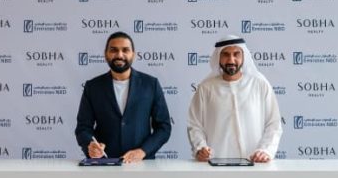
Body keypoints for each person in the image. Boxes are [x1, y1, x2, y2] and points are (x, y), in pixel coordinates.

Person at [75, 31, 171, 163]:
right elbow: (83, 128)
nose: (120, 55)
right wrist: (90, 145)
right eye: (113, 50)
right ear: (105, 54)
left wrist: (143, 151)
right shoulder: (92, 87)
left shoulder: (151, 84)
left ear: (133, 55)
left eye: (125, 50)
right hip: (104, 164)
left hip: (141, 164)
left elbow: (163, 127)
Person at [187, 35, 282, 163]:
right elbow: (195, 125)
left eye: (236, 54)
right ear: (218, 57)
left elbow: (274, 123)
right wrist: (200, 148)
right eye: (226, 54)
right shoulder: (206, 88)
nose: (231, 60)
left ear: (243, 56)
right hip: (216, 165)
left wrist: (265, 151)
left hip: (254, 163)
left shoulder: (260, 85)